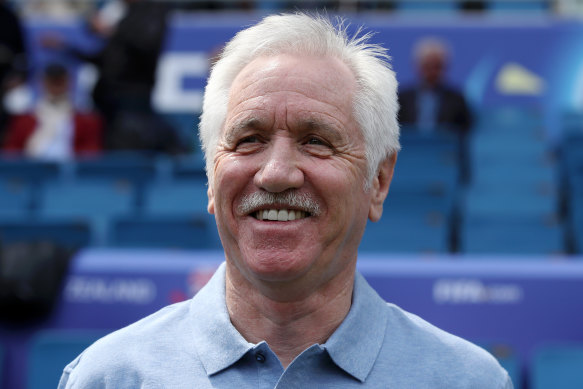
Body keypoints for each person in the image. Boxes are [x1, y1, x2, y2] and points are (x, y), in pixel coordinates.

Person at [58, 13, 512, 388]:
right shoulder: (109, 377)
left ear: (378, 180)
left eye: (316, 140)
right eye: (248, 139)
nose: (275, 173)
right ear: (210, 177)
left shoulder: (468, 380)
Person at [3, 63, 102, 160]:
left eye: (60, 81)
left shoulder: (86, 121)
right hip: (32, 172)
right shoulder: (24, 120)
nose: (56, 85)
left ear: (68, 82)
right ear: (43, 82)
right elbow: (11, 153)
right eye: (52, 81)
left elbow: (91, 153)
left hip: (70, 173)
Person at [398, 37, 472, 134]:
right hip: (411, 147)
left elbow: (465, 131)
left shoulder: (456, 99)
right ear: (418, 66)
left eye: (437, 67)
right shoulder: (402, 98)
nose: (433, 72)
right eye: (428, 67)